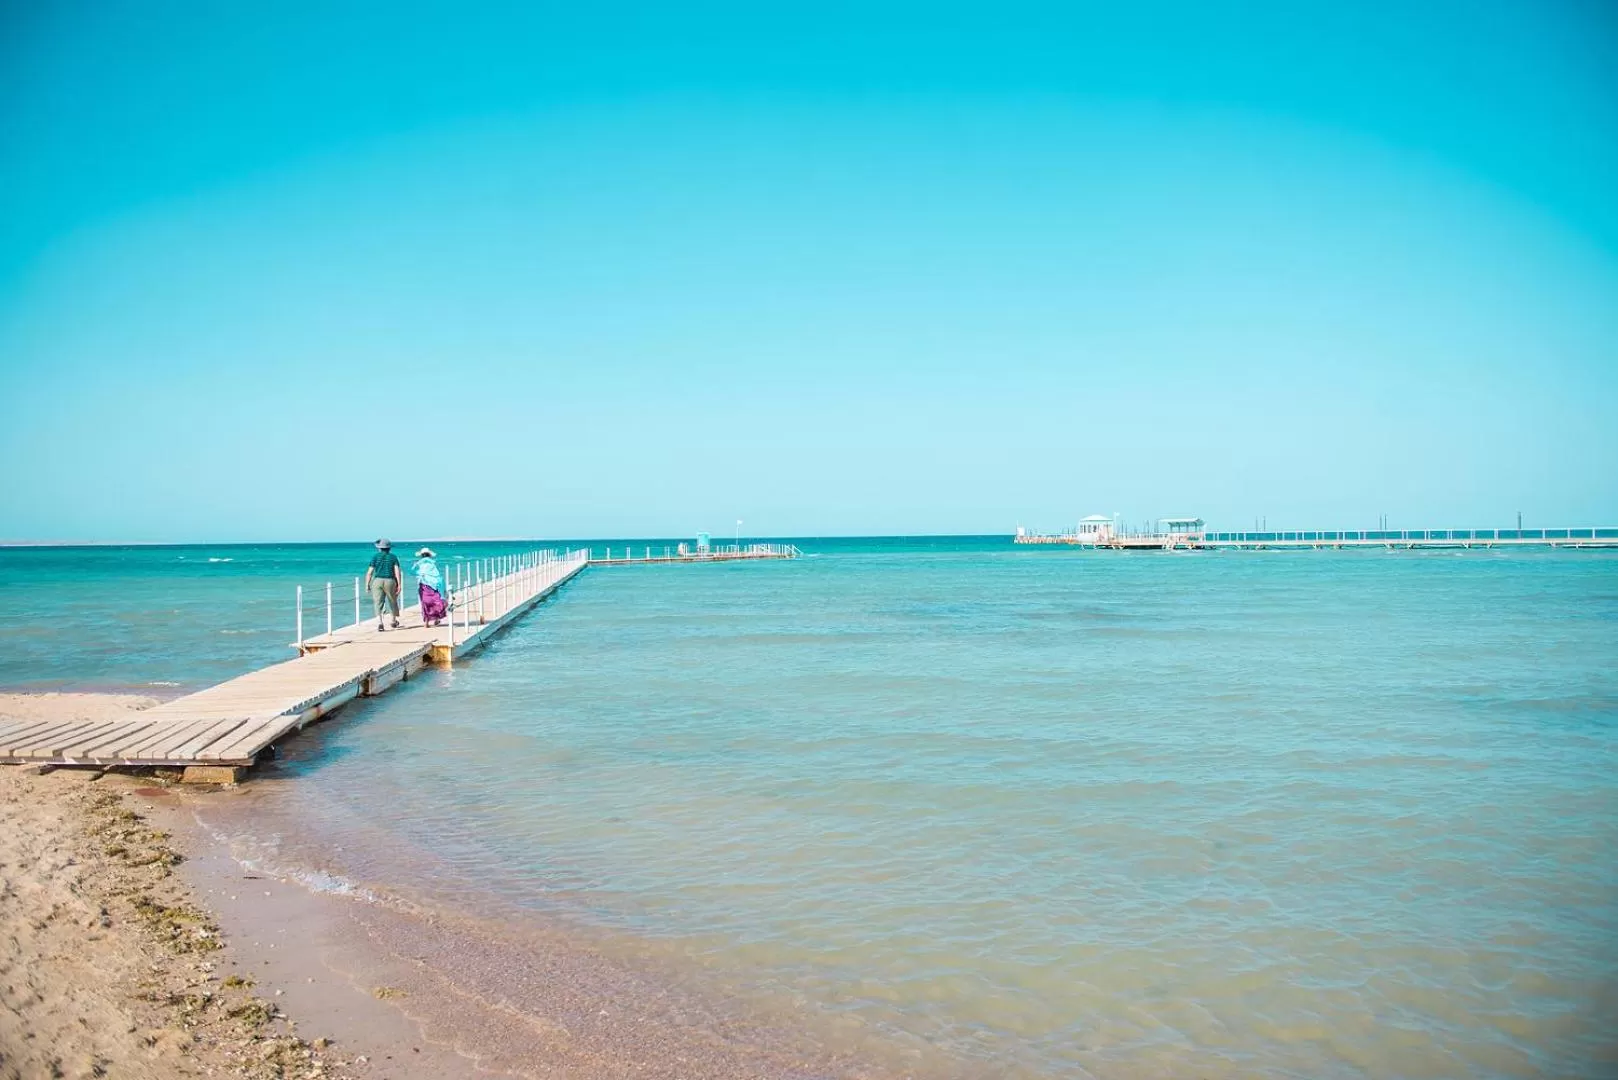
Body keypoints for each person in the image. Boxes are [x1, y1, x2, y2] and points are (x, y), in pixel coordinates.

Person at [365, 538, 403, 631]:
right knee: (392, 600)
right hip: (390, 580)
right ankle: (393, 621)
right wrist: (399, 584)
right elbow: (397, 571)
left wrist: (367, 584)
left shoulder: (375, 557)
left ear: (379, 548)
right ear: (389, 548)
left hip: (377, 581)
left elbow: (370, 572)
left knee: (378, 602)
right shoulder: (393, 557)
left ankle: (380, 623)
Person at [413, 547, 449, 627]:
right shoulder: (432, 564)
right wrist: (443, 588)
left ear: (421, 556)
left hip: (423, 586)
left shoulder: (419, 564)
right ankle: (436, 619)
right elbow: (437, 576)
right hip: (433, 586)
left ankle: (426, 622)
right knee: (437, 602)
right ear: (429, 555)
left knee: (425, 604)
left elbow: (415, 573)